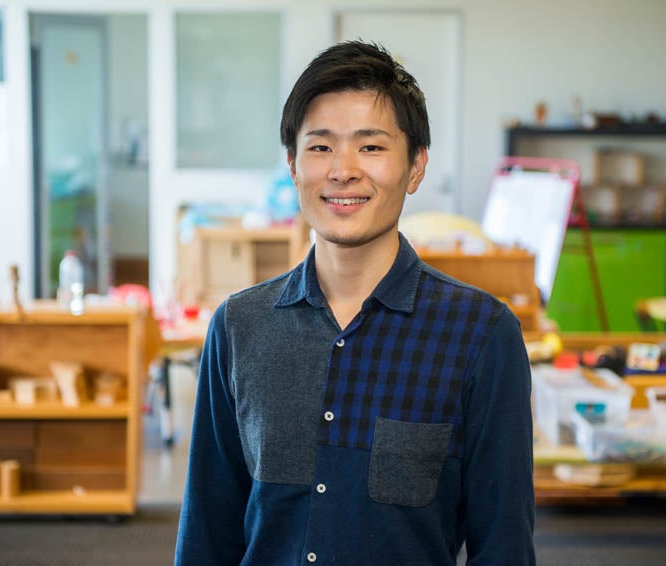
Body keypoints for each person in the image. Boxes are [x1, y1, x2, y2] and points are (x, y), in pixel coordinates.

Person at [175, 40, 535, 565]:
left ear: (416, 167)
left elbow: (503, 547)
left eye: (370, 147)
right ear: (293, 165)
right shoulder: (239, 326)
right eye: (321, 147)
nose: (343, 170)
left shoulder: (481, 334)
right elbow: (207, 535)